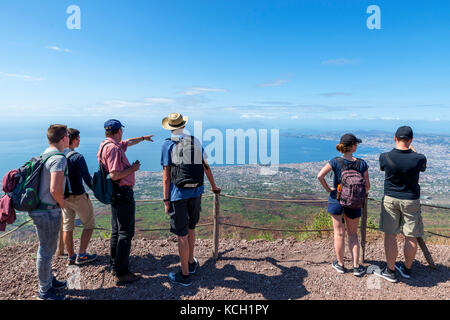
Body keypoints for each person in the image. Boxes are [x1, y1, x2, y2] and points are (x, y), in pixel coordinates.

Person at [161, 113, 221, 286]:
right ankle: (191, 263)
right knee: (191, 227)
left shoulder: (168, 144)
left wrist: (166, 200)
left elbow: (166, 175)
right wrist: (213, 185)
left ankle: (184, 275)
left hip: (178, 194)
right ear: (183, 125)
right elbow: (205, 165)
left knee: (181, 234)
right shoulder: (195, 140)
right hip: (197, 192)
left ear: (171, 127)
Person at [97, 119, 154, 285]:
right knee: (125, 233)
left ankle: (114, 264)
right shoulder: (114, 149)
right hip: (122, 193)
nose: (122, 133)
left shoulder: (105, 145)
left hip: (116, 194)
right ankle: (122, 272)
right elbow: (115, 174)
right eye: (121, 130)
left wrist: (143, 138)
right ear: (118, 131)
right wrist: (133, 169)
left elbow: (128, 142)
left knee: (117, 231)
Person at [374, 126, 427, 283]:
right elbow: (418, 160)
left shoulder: (385, 157)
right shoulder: (419, 158)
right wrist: (410, 147)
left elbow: (384, 169)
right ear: (411, 140)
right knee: (411, 235)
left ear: (394, 138)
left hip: (390, 198)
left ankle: (390, 271)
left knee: (390, 235)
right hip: (411, 199)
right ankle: (407, 269)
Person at [317, 133, 370, 277]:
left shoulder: (335, 161)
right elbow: (367, 186)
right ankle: (356, 267)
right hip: (354, 204)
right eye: (356, 144)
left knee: (339, 233)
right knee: (353, 235)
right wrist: (357, 195)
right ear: (353, 147)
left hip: (336, 200)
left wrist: (329, 190)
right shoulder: (362, 163)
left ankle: (340, 265)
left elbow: (320, 176)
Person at [30, 124, 70, 300]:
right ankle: (44, 291)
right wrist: (62, 203)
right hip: (47, 211)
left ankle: (48, 281)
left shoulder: (45, 153)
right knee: (46, 252)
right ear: (63, 138)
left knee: (47, 249)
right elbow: (54, 189)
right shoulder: (59, 158)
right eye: (67, 135)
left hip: (40, 209)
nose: (69, 138)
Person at [62, 128, 97, 266]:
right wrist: (100, 190)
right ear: (74, 139)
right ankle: (82, 255)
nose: (80, 140)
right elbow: (88, 179)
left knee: (67, 227)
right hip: (78, 196)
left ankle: (71, 257)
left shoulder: (59, 156)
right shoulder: (78, 157)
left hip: (64, 198)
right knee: (89, 224)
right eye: (78, 138)